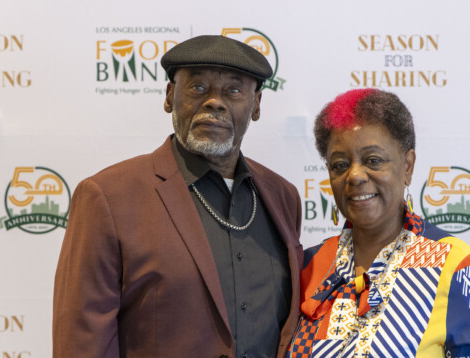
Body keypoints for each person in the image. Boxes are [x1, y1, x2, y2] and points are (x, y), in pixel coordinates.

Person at [53, 35, 303, 358]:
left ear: (255, 105)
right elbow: (82, 344)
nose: (215, 101)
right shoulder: (108, 197)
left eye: (234, 90)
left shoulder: (284, 197)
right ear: (170, 96)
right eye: (197, 88)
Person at [287, 89, 470, 357]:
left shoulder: (459, 266)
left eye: (373, 160)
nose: (355, 176)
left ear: (408, 166)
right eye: (340, 165)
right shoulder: (308, 266)